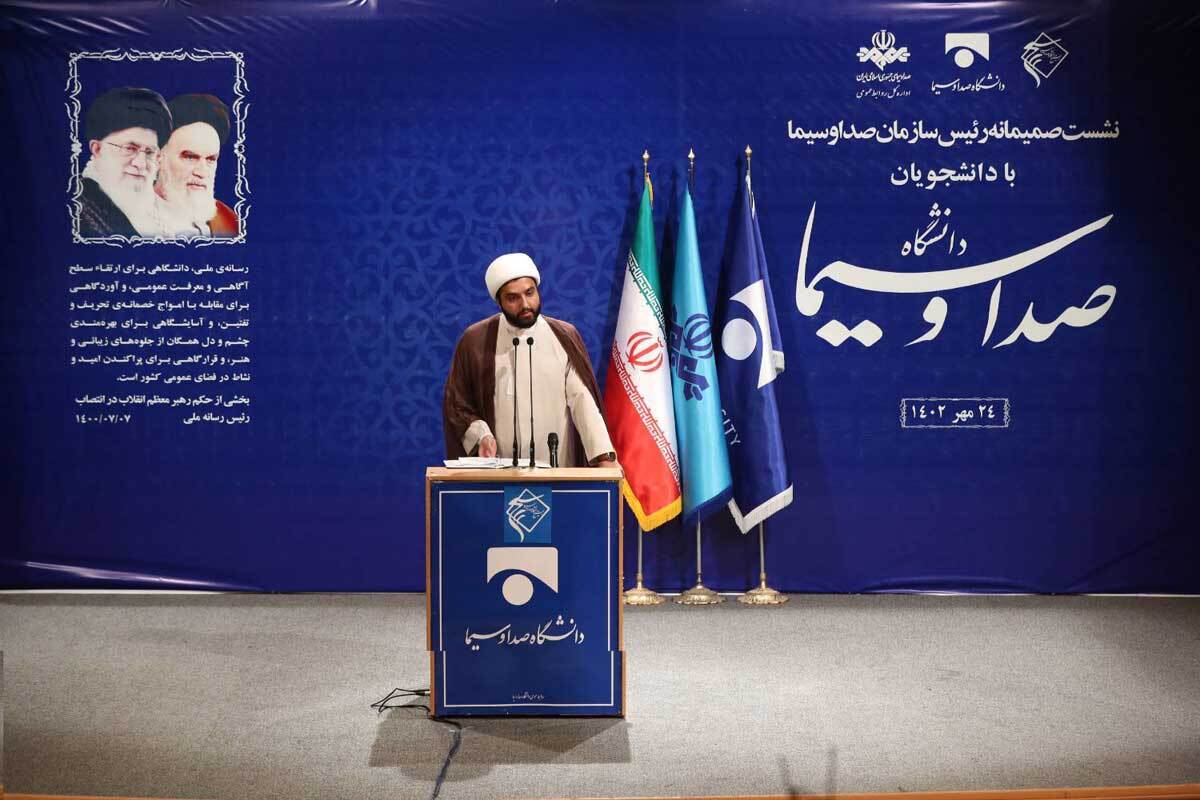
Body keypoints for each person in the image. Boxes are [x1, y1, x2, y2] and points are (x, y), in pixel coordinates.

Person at [443, 253, 616, 467]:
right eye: (513, 298)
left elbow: (583, 401)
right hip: (497, 473)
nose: (525, 304)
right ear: (499, 302)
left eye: (529, 293)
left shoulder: (563, 336)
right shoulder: (476, 340)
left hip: (557, 471)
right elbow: (457, 403)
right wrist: (481, 436)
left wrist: (603, 457)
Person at [78, 87, 172, 238]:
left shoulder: (163, 214)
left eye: (149, 152)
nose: (141, 164)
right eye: (129, 148)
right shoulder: (77, 209)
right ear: (97, 149)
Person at [154, 93, 239, 238]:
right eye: (190, 157)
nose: (202, 172)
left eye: (210, 159)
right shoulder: (123, 219)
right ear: (158, 158)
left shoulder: (230, 221)